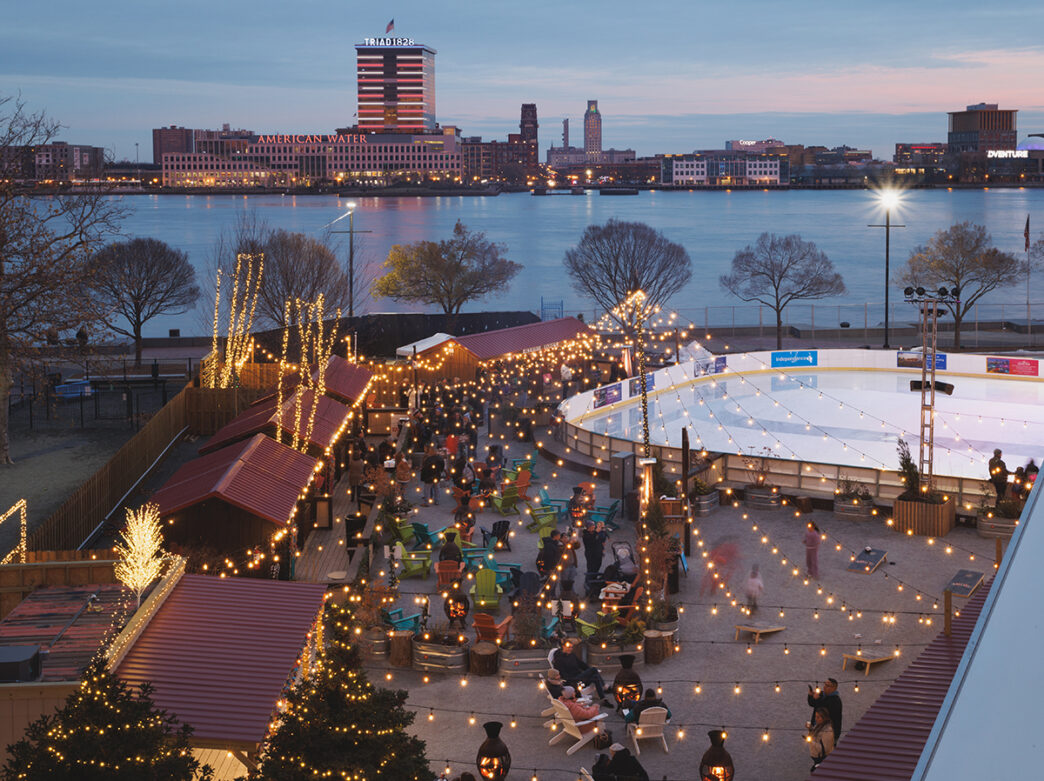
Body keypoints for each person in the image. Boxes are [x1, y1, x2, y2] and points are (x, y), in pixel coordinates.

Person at [807, 678, 842, 743]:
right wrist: (810, 695)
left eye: (827, 685)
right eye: (825, 684)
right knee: (814, 747)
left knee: (825, 749)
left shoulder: (835, 701)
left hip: (828, 731)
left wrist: (817, 699)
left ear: (833, 688)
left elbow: (823, 710)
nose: (824, 687)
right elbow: (812, 703)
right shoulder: (822, 694)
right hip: (817, 727)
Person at [808, 706, 835, 771]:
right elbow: (814, 737)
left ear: (824, 718)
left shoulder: (828, 731)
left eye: (818, 717)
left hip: (821, 759)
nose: (816, 719)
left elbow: (824, 749)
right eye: (815, 716)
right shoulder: (818, 726)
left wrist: (811, 742)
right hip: (817, 758)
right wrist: (810, 729)